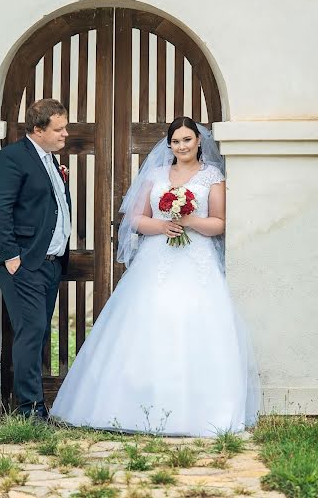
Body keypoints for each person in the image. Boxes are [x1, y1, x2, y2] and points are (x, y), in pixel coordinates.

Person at [50, 116, 260, 436]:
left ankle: (200, 411)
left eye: (187, 140)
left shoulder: (212, 176)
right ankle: (132, 406)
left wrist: (189, 220)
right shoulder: (158, 174)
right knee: (147, 321)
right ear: (169, 144)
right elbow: (135, 218)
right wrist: (163, 226)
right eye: (176, 141)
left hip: (196, 260)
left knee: (193, 322)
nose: (182, 146)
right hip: (156, 258)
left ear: (199, 141)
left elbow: (218, 222)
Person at [0, 99, 71, 419]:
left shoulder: (50, 159)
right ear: (38, 130)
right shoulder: (12, 158)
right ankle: (29, 411)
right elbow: (0, 208)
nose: (65, 135)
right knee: (31, 330)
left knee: (37, 331)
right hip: (21, 261)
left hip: (49, 262)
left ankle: (34, 408)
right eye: (58, 129)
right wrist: (11, 257)